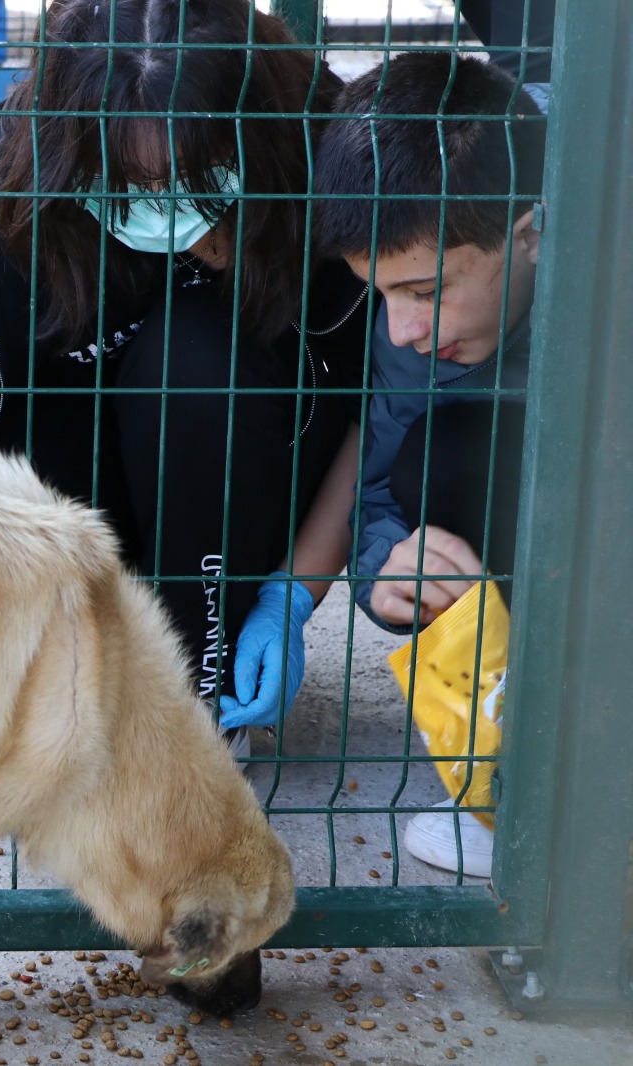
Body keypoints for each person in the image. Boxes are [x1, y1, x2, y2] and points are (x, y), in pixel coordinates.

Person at [0, 0, 371, 747]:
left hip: (234, 502)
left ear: (257, 135)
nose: (161, 209)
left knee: (196, 361)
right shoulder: (17, 202)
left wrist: (293, 591)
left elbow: (381, 403)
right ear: (72, 156)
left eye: (194, 175)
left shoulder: (324, 154)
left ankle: (199, 693)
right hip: (62, 540)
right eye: (130, 183)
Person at [314, 53, 547, 876]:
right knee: (438, 463)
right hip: (523, 489)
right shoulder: (413, 332)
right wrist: (390, 573)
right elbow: (381, 489)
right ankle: (506, 774)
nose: (404, 330)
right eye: (383, 295)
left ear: (532, 232)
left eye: (425, 290)